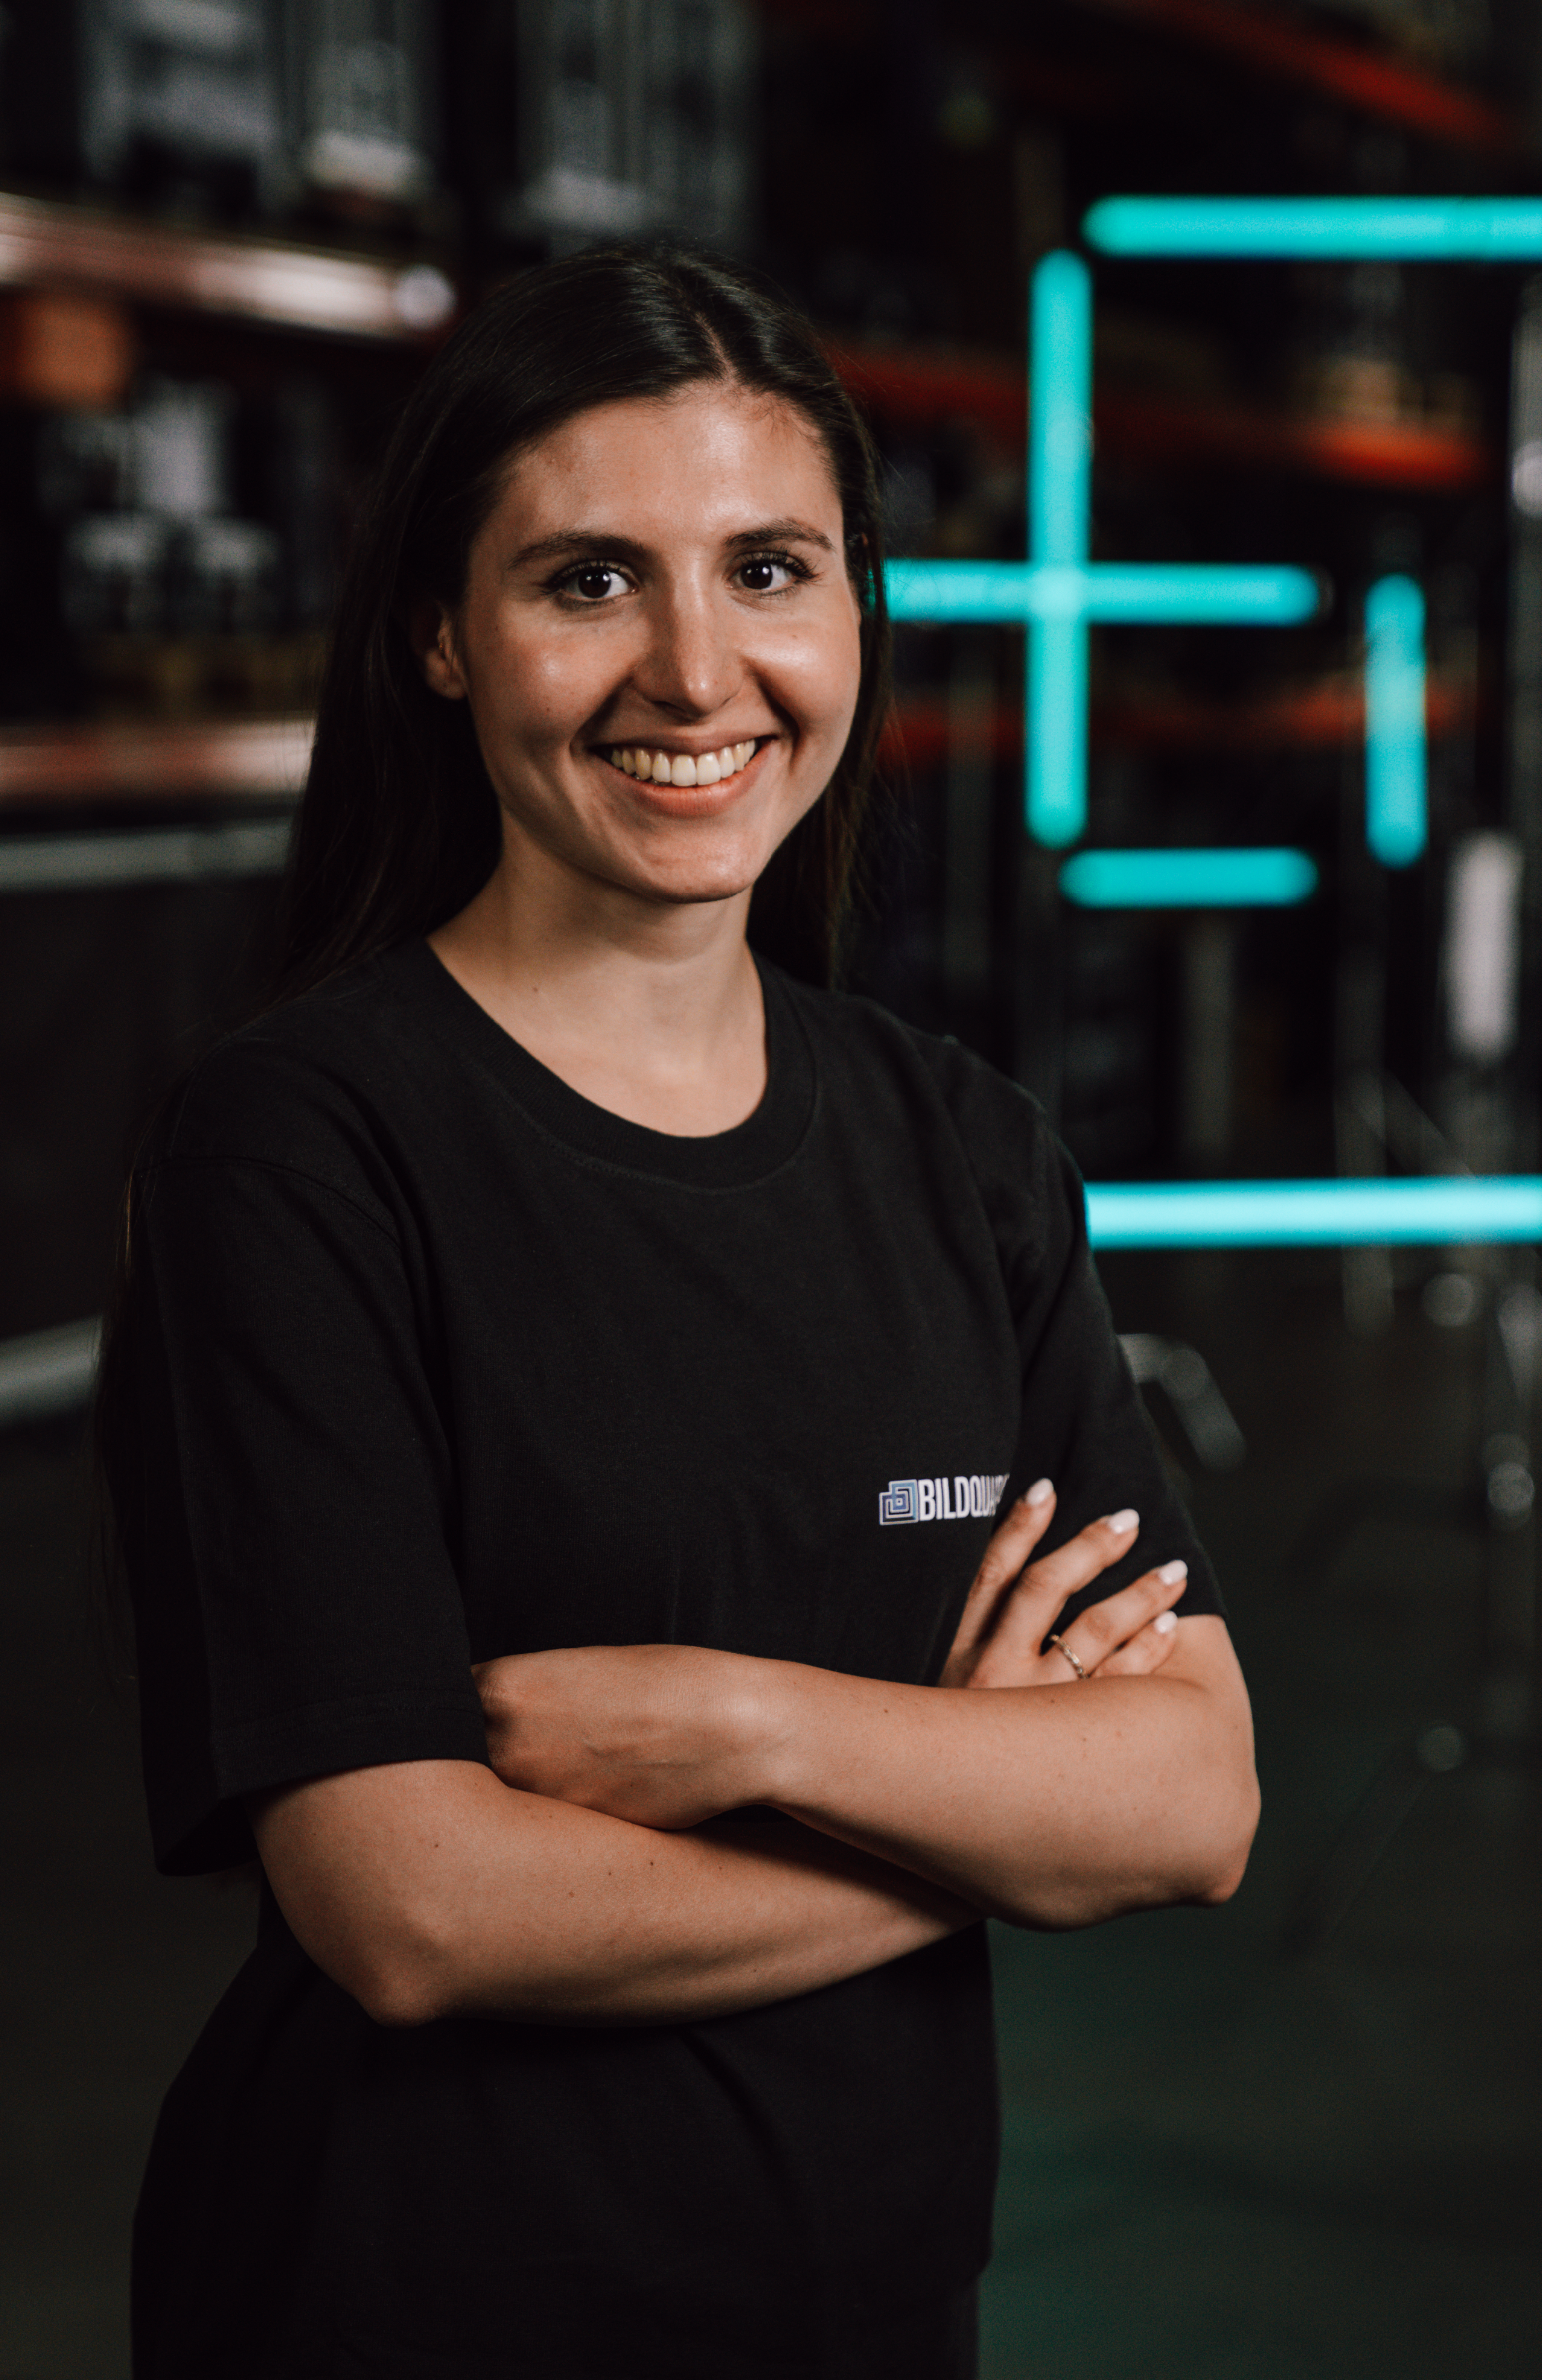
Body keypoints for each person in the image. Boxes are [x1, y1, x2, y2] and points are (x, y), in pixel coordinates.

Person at [100, 243, 1259, 2380]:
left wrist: (745, 1730)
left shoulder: (965, 1154)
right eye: (586, 582)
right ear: (441, 636)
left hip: (876, 2302)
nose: (696, 669)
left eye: (768, 567)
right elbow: (415, 1906)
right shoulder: (297, 1151)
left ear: (850, 616)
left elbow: (1188, 1795)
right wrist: (970, 1825)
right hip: (411, 2310)